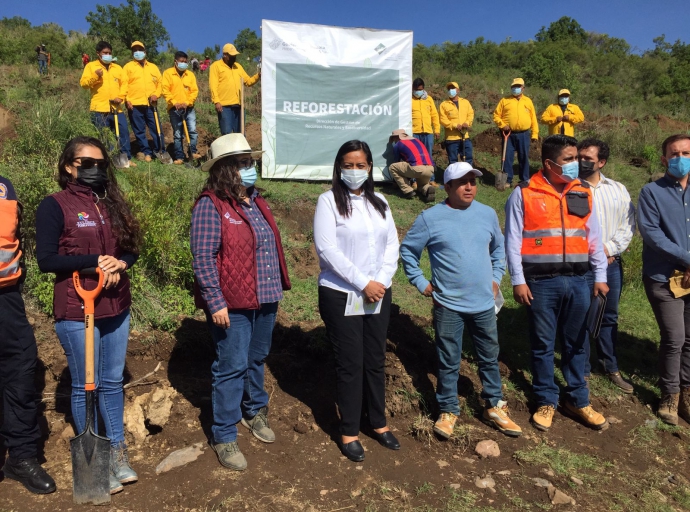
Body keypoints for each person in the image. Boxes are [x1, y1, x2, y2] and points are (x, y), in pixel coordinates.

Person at [35, 136, 141, 494]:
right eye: (87, 163)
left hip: (116, 305)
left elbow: (131, 249)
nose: (96, 169)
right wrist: (94, 262)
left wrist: (120, 262)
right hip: (78, 308)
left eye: (101, 164)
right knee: (85, 386)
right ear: (70, 166)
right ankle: (94, 462)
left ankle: (115, 453)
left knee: (112, 383)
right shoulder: (55, 206)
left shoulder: (111, 202)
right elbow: (46, 259)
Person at [191, 133, 291, 471]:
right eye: (243, 163)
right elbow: (203, 257)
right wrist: (214, 301)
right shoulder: (211, 205)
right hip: (232, 303)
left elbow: (266, 248)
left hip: (265, 296)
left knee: (256, 357)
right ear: (224, 169)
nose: (250, 168)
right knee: (231, 365)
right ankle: (223, 434)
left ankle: (254, 411)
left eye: (251, 162)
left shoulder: (257, 201)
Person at [400, 162, 522, 440]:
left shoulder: (487, 214)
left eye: (473, 182)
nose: (470, 187)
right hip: (448, 304)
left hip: (483, 303)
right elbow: (408, 251)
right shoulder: (430, 218)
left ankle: (494, 405)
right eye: (463, 182)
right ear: (448, 187)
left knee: (489, 357)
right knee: (448, 358)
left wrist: (496, 277)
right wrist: (421, 282)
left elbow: (498, 249)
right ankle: (448, 409)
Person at [505, 134, 609, 432]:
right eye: (569, 160)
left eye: (577, 158)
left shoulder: (583, 192)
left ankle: (577, 399)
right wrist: (518, 280)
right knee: (543, 344)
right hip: (540, 283)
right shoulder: (524, 193)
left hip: (579, 281)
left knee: (577, 343)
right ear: (549, 163)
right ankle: (546, 399)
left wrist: (600, 276)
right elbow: (512, 241)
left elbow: (594, 237)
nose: (576, 164)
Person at [313, 140, 400, 462]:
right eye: (348, 165)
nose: (354, 171)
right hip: (341, 293)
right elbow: (327, 250)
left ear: (369, 168)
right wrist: (364, 283)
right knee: (350, 363)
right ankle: (349, 429)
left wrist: (380, 281)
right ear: (339, 167)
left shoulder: (380, 203)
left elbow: (392, 244)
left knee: (375, 359)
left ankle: (378, 422)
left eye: (360, 165)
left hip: (378, 293)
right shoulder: (328, 202)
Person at [0, 175, 56, 495]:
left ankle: (21, 457)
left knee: (21, 371)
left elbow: (14, 243)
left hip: (7, 300)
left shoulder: (5, 187)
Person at [637, 134, 690, 426]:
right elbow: (652, 235)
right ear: (664, 159)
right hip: (664, 277)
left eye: (686, 153)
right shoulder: (651, 192)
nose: (681, 158)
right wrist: (687, 259)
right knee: (674, 338)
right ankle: (669, 395)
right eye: (674, 154)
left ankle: (687, 391)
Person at [578, 139, 635, 392]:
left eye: (587, 158)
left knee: (608, 316)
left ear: (601, 162)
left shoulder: (618, 189)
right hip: (579, 264)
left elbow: (628, 225)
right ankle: (583, 369)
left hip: (611, 264)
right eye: (579, 156)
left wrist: (607, 250)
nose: (581, 161)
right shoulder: (569, 188)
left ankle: (610, 365)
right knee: (579, 315)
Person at [79, 41, 136, 167]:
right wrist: (95, 76)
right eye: (105, 53)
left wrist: (120, 97)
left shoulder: (117, 68)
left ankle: (126, 159)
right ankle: (109, 158)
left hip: (116, 108)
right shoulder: (91, 66)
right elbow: (84, 84)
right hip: (98, 108)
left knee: (123, 132)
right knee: (103, 134)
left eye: (110, 53)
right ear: (98, 54)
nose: (108, 55)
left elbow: (124, 84)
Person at [493, 78, 539, 185]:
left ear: (523, 88)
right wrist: (503, 125)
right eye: (513, 86)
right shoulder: (505, 100)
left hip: (524, 134)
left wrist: (535, 134)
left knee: (523, 157)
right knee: (507, 157)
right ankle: (507, 180)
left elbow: (533, 119)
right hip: (508, 134)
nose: (515, 89)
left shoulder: (528, 101)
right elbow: (496, 116)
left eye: (518, 86)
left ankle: (524, 180)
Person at [123, 41, 163, 163]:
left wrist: (156, 94)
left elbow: (160, 84)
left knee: (156, 128)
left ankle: (160, 151)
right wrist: (126, 99)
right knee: (139, 130)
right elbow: (123, 85)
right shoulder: (128, 67)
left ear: (145, 51)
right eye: (135, 50)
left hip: (151, 104)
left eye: (140, 49)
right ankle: (146, 152)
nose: (137, 52)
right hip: (134, 104)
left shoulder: (153, 67)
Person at [209, 44, 260, 135]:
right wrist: (216, 101)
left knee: (240, 133)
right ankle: (228, 149)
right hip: (224, 106)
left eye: (235, 55)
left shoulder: (238, 66)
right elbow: (213, 85)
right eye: (232, 55)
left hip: (239, 105)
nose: (234, 57)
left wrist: (258, 75)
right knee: (227, 133)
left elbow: (248, 81)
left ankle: (240, 150)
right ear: (225, 55)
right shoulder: (216, 66)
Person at [162, 51, 200, 165]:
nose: (184, 63)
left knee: (192, 131)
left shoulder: (190, 75)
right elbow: (165, 90)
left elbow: (194, 91)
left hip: (188, 108)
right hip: (174, 109)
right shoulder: (168, 74)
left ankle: (192, 152)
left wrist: (187, 102)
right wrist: (175, 102)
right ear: (175, 61)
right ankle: (179, 157)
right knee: (178, 134)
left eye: (185, 61)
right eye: (181, 61)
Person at [388, 129, 436, 202]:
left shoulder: (398, 144)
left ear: (397, 137)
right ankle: (427, 189)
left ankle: (408, 191)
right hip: (430, 168)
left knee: (393, 167)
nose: (394, 140)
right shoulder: (417, 141)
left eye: (394, 138)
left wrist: (396, 182)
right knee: (421, 185)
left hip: (417, 168)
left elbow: (396, 161)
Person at [439, 81, 475, 165]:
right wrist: (454, 125)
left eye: (453, 88)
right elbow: (442, 119)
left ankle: (468, 176)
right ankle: (454, 177)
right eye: (449, 89)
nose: (451, 90)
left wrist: (467, 123)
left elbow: (470, 114)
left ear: (458, 90)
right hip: (451, 138)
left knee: (468, 158)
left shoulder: (465, 102)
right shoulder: (444, 104)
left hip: (465, 136)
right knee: (453, 160)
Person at [411, 78, 440, 162]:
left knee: (428, 155)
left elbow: (434, 115)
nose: (418, 91)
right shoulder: (409, 100)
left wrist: (437, 130)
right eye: (416, 89)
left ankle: (429, 175)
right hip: (414, 132)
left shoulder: (429, 99)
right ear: (412, 88)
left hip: (428, 132)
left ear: (423, 89)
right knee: (415, 155)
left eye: (420, 89)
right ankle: (416, 174)